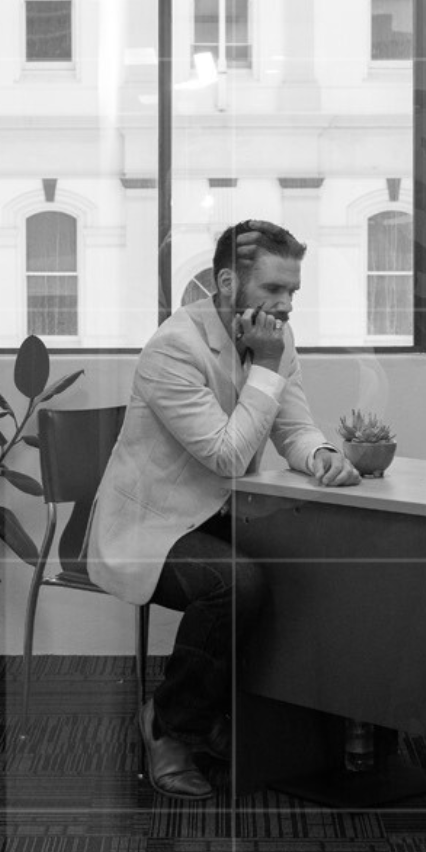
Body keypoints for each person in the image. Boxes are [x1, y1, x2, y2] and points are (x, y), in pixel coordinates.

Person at [86, 220, 360, 800]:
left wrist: (323, 455)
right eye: (274, 291)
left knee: (311, 563)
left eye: (293, 293)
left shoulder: (273, 343)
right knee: (236, 585)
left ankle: (244, 717)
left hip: (215, 514)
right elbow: (227, 456)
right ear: (229, 282)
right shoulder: (173, 348)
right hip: (149, 526)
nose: (286, 307)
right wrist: (265, 364)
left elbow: (295, 427)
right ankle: (170, 724)